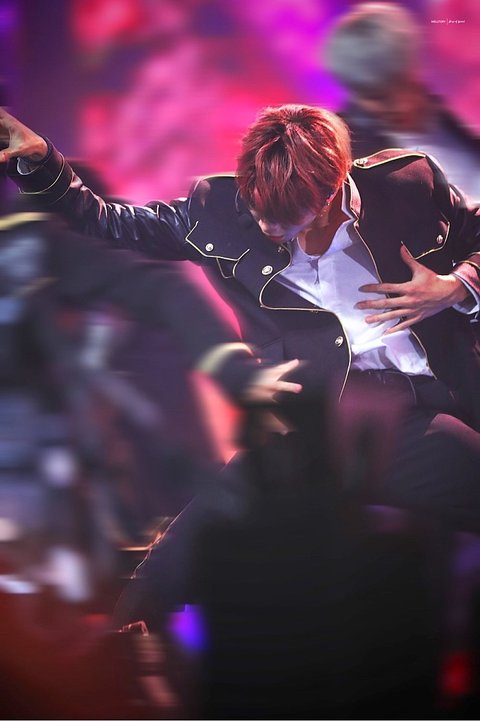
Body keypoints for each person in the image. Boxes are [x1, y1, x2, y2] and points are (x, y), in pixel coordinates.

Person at [0, 103, 480, 531]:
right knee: (177, 564)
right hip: (312, 423)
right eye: (257, 209)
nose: (266, 226)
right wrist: (41, 162)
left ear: (328, 195)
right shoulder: (216, 210)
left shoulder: (407, 183)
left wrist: (457, 285)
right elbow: (107, 221)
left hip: (423, 403)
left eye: (284, 218)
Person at [322, 1, 480, 201]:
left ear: (415, 67)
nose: (399, 105)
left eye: (402, 85)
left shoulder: (450, 104)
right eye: (379, 98)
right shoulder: (353, 161)